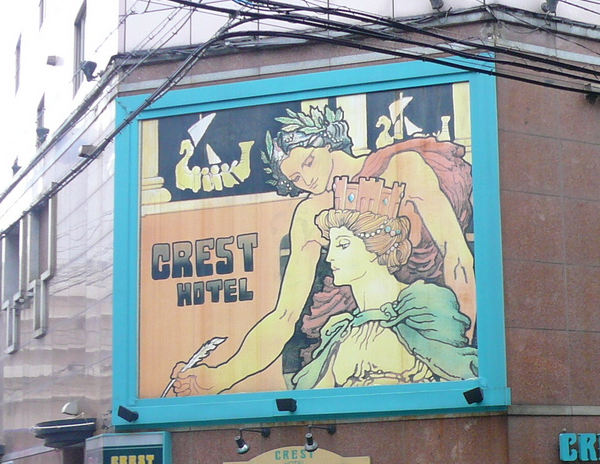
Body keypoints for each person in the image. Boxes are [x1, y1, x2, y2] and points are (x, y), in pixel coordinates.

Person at [168, 104, 475, 396]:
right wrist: (219, 377)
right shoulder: (309, 214)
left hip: (434, 314)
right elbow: (284, 315)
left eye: (309, 162)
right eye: (296, 178)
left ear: (328, 143)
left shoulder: (401, 168)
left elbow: (458, 257)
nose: (308, 179)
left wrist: (461, 347)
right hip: (362, 323)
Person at [290, 179, 477, 388]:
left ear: (375, 247)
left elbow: (459, 373)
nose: (330, 257)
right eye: (330, 246)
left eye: (342, 245)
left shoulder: (423, 304)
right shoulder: (339, 329)